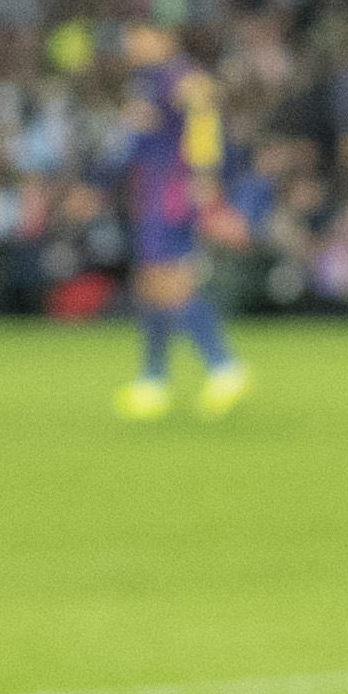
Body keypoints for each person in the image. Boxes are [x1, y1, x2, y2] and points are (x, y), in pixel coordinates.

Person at [108, 21, 251, 422]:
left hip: (170, 194)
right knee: (152, 287)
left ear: (163, 38)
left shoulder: (180, 76)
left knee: (169, 284)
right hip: (152, 191)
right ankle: (152, 381)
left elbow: (204, 117)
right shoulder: (149, 79)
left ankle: (222, 366)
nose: (130, 40)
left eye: (139, 33)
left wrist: (204, 176)